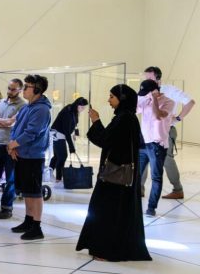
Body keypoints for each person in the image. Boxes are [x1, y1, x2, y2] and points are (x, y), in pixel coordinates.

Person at [76, 84, 151, 262]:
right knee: (106, 210)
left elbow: (106, 140)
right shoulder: (125, 117)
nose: (108, 100)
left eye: (112, 97)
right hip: (115, 174)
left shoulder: (125, 118)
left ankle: (108, 250)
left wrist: (96, 121)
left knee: (109, 212)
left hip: (116, 175)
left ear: (122, 99)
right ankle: (104, 247)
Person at [7, 75, 52, 240]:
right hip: (22, 154)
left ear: (37, 90)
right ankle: (28, 220)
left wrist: (13, 144)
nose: (23, 89)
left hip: (33, 156)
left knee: (35, 192)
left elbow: (31, 133)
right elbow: (15, 128)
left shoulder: (42, 110)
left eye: (27, 87)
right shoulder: (27, 107)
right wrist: (13, 145)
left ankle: (37, 227)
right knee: (27, 191)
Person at [143, 66, 195, 200]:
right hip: (148, 131)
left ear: (158, 78)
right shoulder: (146, 91)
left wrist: (178, 118)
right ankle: (139, 188)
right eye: (145, 78)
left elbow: (190, 102)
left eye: (149, 78)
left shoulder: (170, 90)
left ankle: (177, 189)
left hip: (165, 131)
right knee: (144, 157)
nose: (146, 80)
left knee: (167, 160)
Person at [0, 79, 25, 219]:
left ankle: (7, 207)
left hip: (10, 146)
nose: (10, 91)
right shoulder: (0, 102)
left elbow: (11, 123)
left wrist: (2, 121)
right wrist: (5, 122)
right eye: (9, 88)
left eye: (13, 89)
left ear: (20, 90)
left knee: (10, 179)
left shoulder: (23, 105)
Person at [137, 79, 175, 217]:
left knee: (156, 177)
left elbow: (158, 115)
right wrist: (143, 98)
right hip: (143, 144)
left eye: (147, 92)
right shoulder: (145, 100)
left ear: (154, 90)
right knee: (136, 175)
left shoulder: (169, 102)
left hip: (157, 145)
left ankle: (151, 208)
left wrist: (154, 99)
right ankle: (133, 204)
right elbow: (134, 110)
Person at [49, 97, 89, 183]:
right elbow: (66, 130)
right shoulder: (68, 111)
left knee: (57, 156)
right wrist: (71, 146)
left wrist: (74, 133)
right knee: (63, 156)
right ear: (77, 105)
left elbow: (73, 124)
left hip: (60, 133)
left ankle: (50, 173)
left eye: (84, 107)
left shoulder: (74, 111)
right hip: (58, 133)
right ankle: (58, 178)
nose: (83, 109)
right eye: (82, 107)